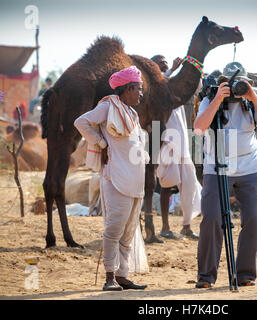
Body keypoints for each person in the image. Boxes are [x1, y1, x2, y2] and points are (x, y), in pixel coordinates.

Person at [193, 61, 257, 288]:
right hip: (216, 168)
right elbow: (199, 129)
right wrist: (218, 99)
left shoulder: (250, 102)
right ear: (223, 83)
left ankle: (245, 273)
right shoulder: (211, 98)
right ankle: (206, 276)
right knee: (212, 219)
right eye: (231, 84)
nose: (236, 89)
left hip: (250, 168)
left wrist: (253, 97)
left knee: (255, 220)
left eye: (240, 84)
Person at [74, 66, 148, 291]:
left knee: (128, 230)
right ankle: (109, 278)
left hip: (135, 179)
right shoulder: (108, 106)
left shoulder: (132, 113)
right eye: (139, 89)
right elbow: (81, 122)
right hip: (115, 177)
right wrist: (100, 142)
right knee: (114, 228)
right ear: (128, 89)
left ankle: (122, 275)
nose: (141, 94)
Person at [151, 54, 202, 240]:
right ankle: (164, 227)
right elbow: (162, 83)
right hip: (166, 142)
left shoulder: (175, 90)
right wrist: (172, 69)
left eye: (165, 63)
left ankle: (186, 226)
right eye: (160, 63)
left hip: (182, 143)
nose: (164, 65)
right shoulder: (156, 89)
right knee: (167, 185)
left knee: (189, 185)